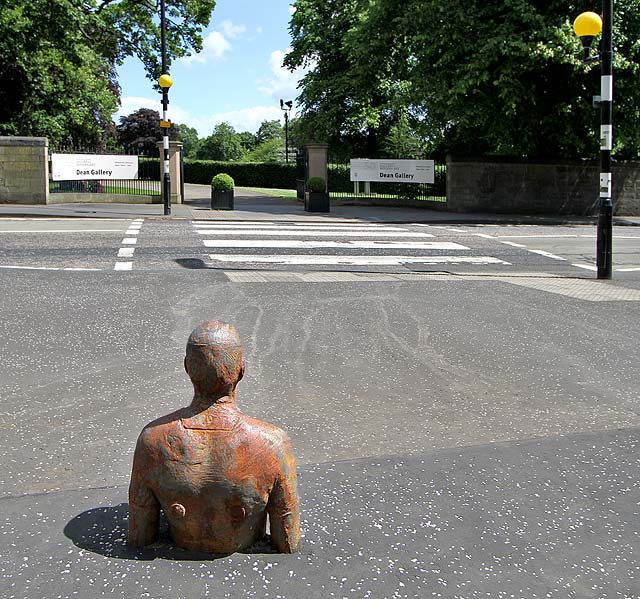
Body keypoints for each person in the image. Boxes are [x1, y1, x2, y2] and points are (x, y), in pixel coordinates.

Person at [128, 321, 300, 554]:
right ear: (242, 370)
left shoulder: (152, 440)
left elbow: (141, 536)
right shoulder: (272, 443)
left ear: (187, 367)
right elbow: (287, 540)